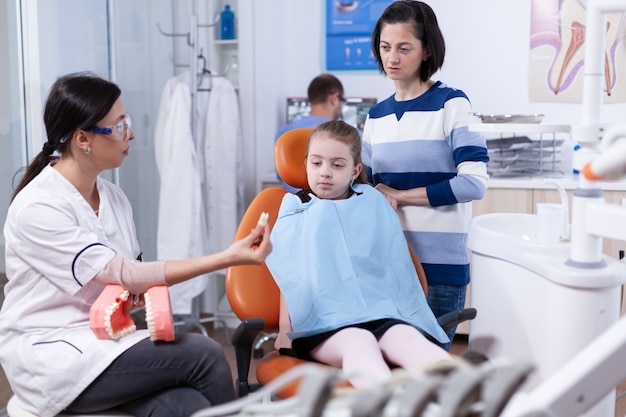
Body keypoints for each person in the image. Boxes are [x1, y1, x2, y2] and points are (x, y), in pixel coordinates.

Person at [0, 72, 272, 417]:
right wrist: (228, 258)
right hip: (52, 356)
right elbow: (126, 273)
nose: (130, 133)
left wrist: (139, 294)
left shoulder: (113, 197)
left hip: (107, 343)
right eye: (117, 126)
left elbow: (129, 285)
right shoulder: (39, 205)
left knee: (187, 406)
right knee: (204, 354)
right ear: (83, 138)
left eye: (125, 121)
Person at [265, 120, 451, 389]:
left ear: (355, 170)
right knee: (358, 341)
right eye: (316, 163)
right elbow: (291, 277)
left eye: (337, 165)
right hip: (324, 322)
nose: (325, 173)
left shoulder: (372, 201)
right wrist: (284, 330)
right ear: (306, 164)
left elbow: (393, 266)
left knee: (407, 339)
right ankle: (391, 408)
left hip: (382, 313)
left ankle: (475, 400)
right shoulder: (296, 208)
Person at [361, 0, 489, 349]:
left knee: (425, 375)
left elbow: (474, 183)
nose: (392, 58)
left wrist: (401, 195)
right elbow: (367, 190)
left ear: (426, 50)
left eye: (404, 48)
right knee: (388, 374)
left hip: (441, 270)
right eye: (385, 48)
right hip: (389, 267)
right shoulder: (376, 117)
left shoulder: (452, 104)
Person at [274, 73, 346, 192]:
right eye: (343, 100)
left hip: (295, 206)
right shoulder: (348, 137)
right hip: (333, 206)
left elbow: (281, 175)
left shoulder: (283, 135)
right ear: (334, 99)